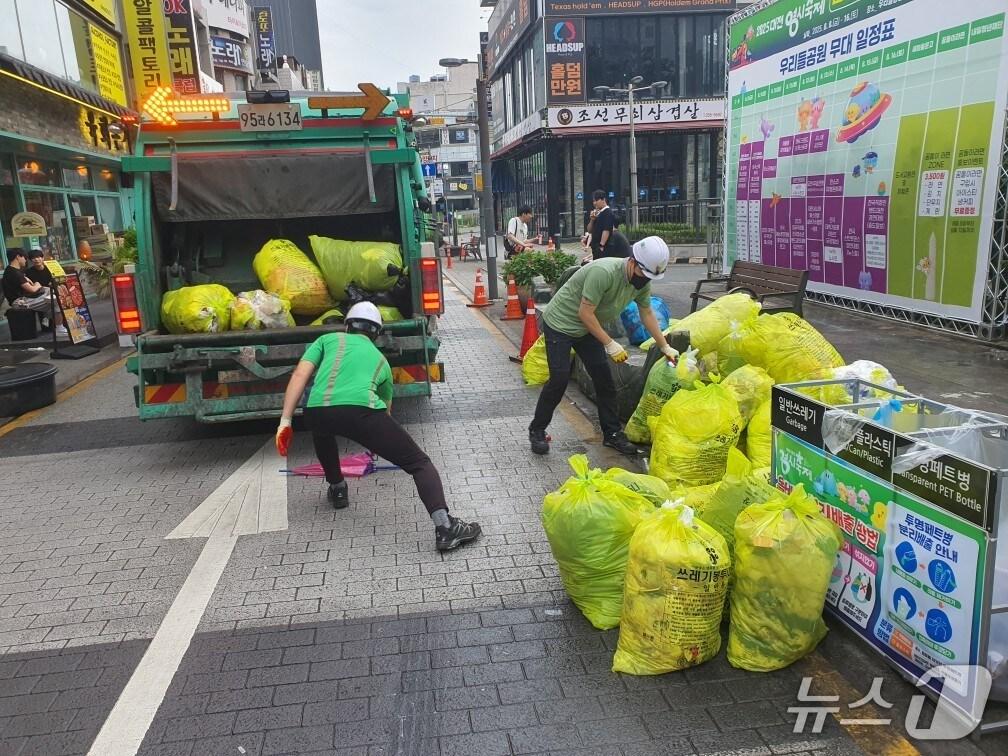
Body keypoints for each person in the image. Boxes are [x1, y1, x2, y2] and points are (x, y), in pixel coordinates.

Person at [275, 302, 481, 552]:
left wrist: (285, 421)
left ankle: (338, 489)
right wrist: (377, 443)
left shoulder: (327, 340)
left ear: (348, 325)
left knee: (323, 433)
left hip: (316, 411)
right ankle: (446, 528)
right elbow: (385, 410)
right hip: (362, 412)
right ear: (376, 333)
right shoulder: (381, 361)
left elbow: (300, 375)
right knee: (419, 464)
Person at [529, 236, 678, 456]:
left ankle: (612, 434)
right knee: (559, 379)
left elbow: (646, 312)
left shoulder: (641, 282)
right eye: (643, 274)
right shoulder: (604, 273)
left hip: (588, 328)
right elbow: (584, 312)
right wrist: (610, 343)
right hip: (561, 324)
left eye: (649, 277)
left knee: (604, 380)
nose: (644, 280)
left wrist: (664, 346)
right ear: (633, 261)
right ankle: (537, 430)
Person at [2, 249, 65, 335]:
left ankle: (47, 318)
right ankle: (59, 328)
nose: (25, 260)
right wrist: (37, 284)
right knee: (56, 300)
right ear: (18, 257)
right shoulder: (14, 273)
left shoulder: (12, 271)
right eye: (24, 257)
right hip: (20, 302)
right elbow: (32, 289)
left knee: (50, 292)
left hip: (25, 298)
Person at [588, 190, 618, 259]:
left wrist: (601, 245)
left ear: (603, 200)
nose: (594, 203)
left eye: (596, 200)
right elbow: (589, 230)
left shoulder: (608, 213)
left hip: (604, 248)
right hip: (596, 247)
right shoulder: (598, 213)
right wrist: (592, 220)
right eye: (593, 201)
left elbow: (606, 230)